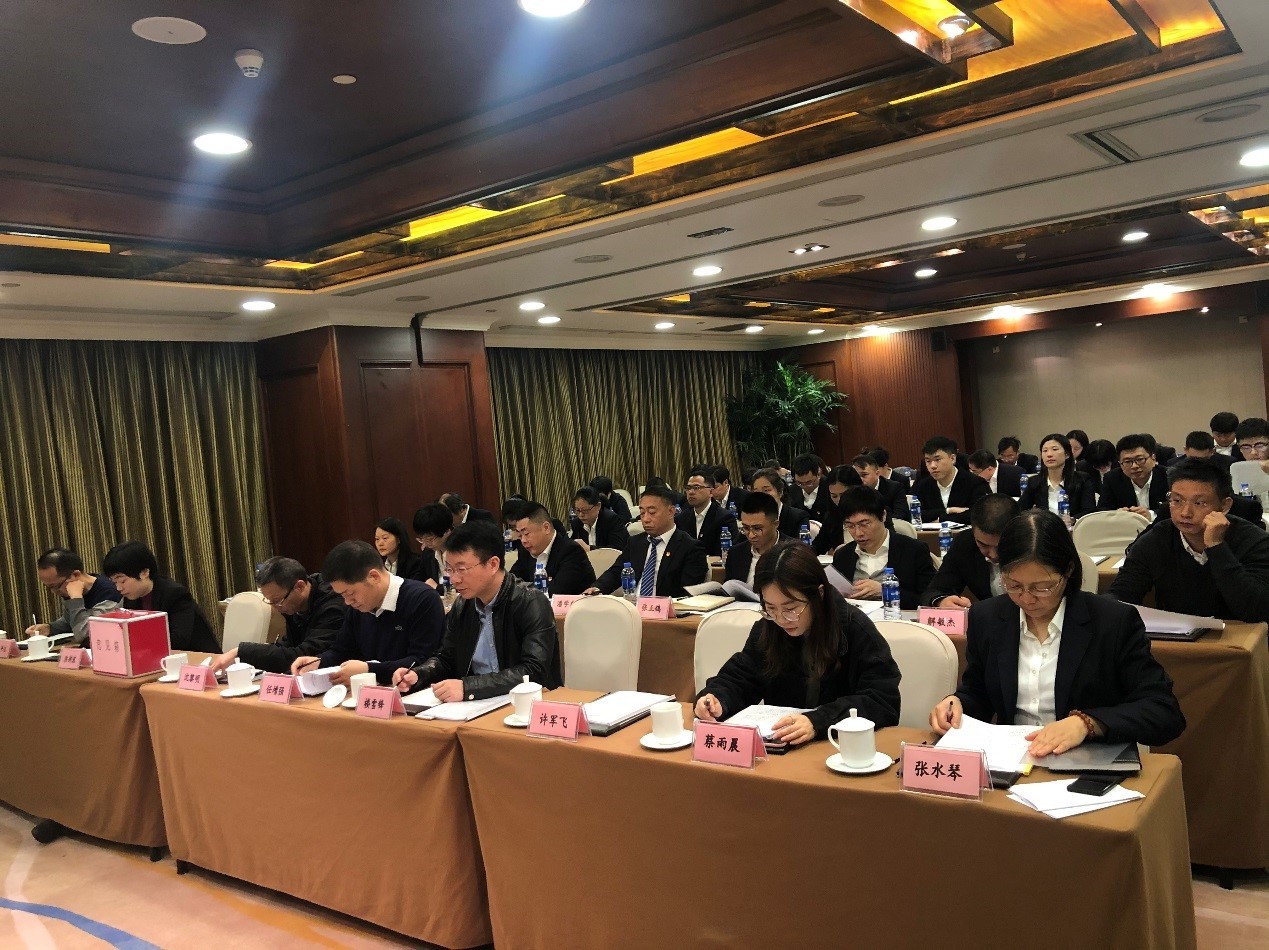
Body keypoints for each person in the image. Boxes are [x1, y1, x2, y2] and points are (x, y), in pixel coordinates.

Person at [930, 509, 1185, 754]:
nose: (1027, 598)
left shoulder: (1112, 621)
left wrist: (1087, 723)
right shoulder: (987, 617)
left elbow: (1163, 711)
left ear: (1068, 571)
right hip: (1013, 759)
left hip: (1087, 759)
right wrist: (957, 704)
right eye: (1013, 585)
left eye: (1042, 587)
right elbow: (978, 693)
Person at [694, 544, 901, 746]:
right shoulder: (769, 627)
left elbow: (881, 700)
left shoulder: (855, 629)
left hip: (840, 746)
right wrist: (718, 697)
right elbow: (742, 676)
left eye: (790, 608)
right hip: (781, 745)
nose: (781, 619)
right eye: (770, 608)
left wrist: (817, 721)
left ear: (819, 594)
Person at [392, 521, 560, 701]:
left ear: (493, 564)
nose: (454, 579)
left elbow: (533, 671)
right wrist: (418, 674)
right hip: (477, 702)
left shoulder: (530, 601)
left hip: (525, 702)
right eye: (449, 569)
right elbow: (446, 657)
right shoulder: (462, 605)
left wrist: (469, 687)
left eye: (461, 569)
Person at [1109, 459, 1269, 623]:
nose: (1185, 513)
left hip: (1242, 636)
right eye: (1177, 501)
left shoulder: (1254, 541)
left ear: (1224, 506)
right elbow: (1122, 593)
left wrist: (1216, 547)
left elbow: (1257, 610)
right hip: (1175, 636)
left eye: (1199, 503)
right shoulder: (1157, 539)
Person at [290, 539, 445, 687]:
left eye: (350, 593)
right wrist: (318, 662)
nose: (347, 602)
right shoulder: (358, 607)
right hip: (368, 693)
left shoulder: (422, 599)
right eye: (342, 595)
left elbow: (422, 662)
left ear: (374, 577)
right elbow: (341, 651)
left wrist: (369, 669)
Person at [209, 557, 347, 674]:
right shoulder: (294, 604)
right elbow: (288, 646)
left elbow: (304, 655)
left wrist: (241, 652)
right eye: (269, 601)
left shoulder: (333, 605)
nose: (275, 607)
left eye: (277, 601)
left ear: (300, 587)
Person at [589, 485, 709, 597]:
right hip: (633, 605)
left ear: (671, 512)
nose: (645, 519)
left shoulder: (690, 548)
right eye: (642, 513)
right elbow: (617, 572)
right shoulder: (635, 542)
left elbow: (687, 593)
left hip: (665, 609)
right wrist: (596, 588)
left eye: (652, 512)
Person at [101, 541, 218, 652]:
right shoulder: (130, 598)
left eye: (122, 581)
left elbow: (178, 641)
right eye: (114, 582)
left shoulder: (175, 594)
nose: (118, 588)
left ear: (144, 573)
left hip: (198, 659)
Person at [831, 487, 934, 609]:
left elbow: (929, 599)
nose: (858, 533)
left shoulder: (914, 550)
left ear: (883, 516)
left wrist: (885, 591)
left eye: (864, 524)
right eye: (850, 526)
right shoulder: (843, 555)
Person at [921, 495, 1019, 608]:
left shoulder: (1032, 543)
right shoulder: (965, 543)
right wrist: (941, 601)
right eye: (983, 545)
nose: (994, 555)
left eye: (1000, 546)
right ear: (973, 531)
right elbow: (935, 590)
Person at [26, 548, 119, 645]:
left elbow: (86, 635)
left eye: (55, 586)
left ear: (75, 575)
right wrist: (50, 628)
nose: (54, 591)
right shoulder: (71, 589)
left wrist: (75, 599)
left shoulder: (109, 593)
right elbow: (71, 621)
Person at [509, 503, 595, 595]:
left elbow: (555, 592)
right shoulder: (525, 551)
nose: (523, 540)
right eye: (520, 535)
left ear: (546, 528)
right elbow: (511, 584)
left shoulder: (571, 551)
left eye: (526, 534)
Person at [914, 436, 990, 525]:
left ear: (952, 459)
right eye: (928, 461)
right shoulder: (924, 485)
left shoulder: (975, 483)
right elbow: (917, 515)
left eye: (937, 459)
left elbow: (977, 515)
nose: (932, 466)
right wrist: (948, 510)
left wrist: (940, 519)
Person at [1018, 433, 1096, 520]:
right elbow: (1020, 511)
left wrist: (1072, 520)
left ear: (1067, 454)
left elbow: (1089, 511)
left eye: (1054, 449)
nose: (1049, 454)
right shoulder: (1034, 482)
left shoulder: (1083, 480)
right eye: (1045, 451)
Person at [723, 492, 793, 588]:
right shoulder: (736, 553)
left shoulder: (794, 553)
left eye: (757, 529)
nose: (751, 535)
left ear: (775, 524)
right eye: (746, 528)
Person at [1096, 434, 1168, 521]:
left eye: (1140, 459)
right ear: (1120, 464)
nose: (1134, 466)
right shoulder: (1112, 479)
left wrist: (1151, 515)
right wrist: (1116, 514)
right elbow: (1102, 511)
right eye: (1127, 462)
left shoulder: (1168, 476)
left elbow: (1173, 508)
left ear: (1153, 458)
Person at [675, 469, 738, 557]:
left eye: (696, 487)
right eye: (688, 488)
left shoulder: (725, 518)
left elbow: (727, 553)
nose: (691, 492)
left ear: (711, 492)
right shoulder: (681, 518)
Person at [750, 467, 815, 539]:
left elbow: (801, 545)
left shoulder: (799, 517)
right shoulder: (750, 519)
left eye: (766, 490)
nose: (761, 496)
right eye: (756, 492)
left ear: (780, 491)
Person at [851, 454, 911, 522]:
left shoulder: (895, 488)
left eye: (864, 475)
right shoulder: (851, 490)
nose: (860, 479)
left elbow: (900, 515)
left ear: (877, 474)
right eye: (857, 476)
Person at [569, 486, 631, 550]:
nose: (581, 515)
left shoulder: (612, 520)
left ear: (598, 506)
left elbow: (617, 548)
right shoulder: (577, 523)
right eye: (577, 510)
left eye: (585, 510)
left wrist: (589, 548)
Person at [412, 502, 455, 586]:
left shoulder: (461, 551)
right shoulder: (428, 553)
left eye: (430, 539)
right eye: (422, 539)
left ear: (447, 531)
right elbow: (418, 580)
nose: (425, 543)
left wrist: (437, 588)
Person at [786, 454, 833, 522]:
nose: (804, 486)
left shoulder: (831, 489)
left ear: (818, 474)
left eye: (809, 482)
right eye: (799, 482)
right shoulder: (791, 491)